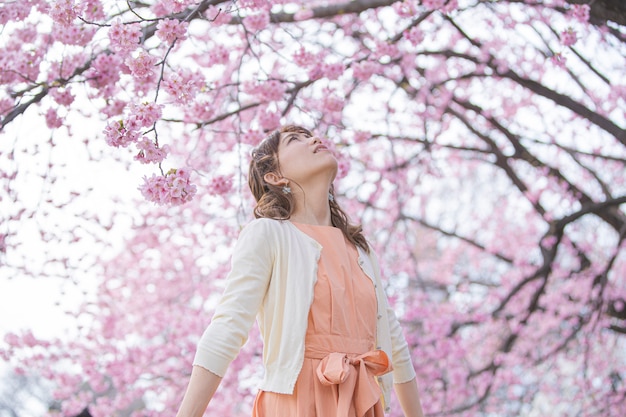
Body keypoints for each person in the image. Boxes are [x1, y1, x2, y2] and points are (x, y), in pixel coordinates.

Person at [175, 125, 424, 417]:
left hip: (362, 403)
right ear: (275, 177)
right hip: (296, 402)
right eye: (296, 139)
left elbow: (394, 343)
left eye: (311, 135)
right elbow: (227, 328)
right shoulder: (268, 234)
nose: (315, 139)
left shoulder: (362, 250)